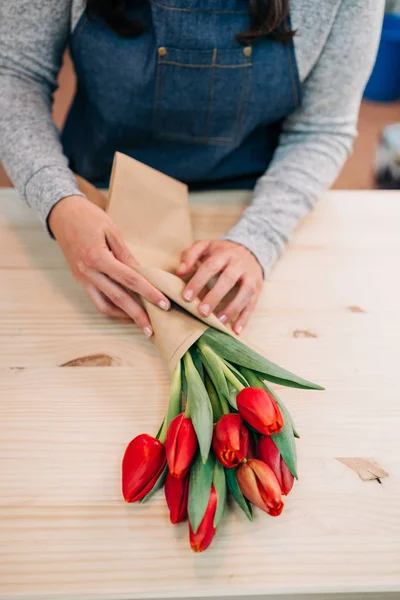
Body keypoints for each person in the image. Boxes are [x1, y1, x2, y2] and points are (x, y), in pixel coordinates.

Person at [0, 0, 384, 337]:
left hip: (257, 202)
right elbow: (15, 76)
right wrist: (58, 201)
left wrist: (261, 235)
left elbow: (322, 128)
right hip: (93, 199)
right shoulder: (69, 204)